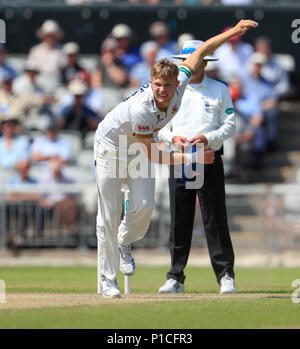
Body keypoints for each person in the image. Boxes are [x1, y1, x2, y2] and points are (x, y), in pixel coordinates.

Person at [93, 20, 258, 298]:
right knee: (108, 215)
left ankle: (124, 241)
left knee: (144, 208)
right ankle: (108, 280)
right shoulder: (142, 110)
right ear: (151, 82)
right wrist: (193, 156)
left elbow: (203, 48)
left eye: (167, 85)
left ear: (176, 83)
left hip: (139, 145)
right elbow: (154, 153)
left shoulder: (183, 83)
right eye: (157, 85)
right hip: (112, 146)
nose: (162, 91)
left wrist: (233, 31)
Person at [157, 40, 236, 295]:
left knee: (215, 218)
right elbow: (161, 127)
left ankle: (225, 275)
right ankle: (175, 277)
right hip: (180, 158)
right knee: (180, 219)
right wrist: (173, 138)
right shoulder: (173, 90)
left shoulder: (218, 89)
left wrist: (207, 138)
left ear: (204, 61)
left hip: (208, 156)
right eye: (186, 61)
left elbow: (230, 125)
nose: (190, 65)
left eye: (196, 59)